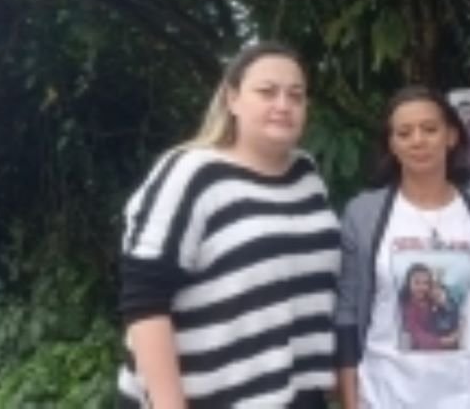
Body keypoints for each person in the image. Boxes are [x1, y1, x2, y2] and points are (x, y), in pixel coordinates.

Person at [116, 41, 341, 408]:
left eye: (296, 95)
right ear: (232, 99)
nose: (283, 104)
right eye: (267, 92)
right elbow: (144, 301)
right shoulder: (191, 173)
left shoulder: (307, 174)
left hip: (297, 395)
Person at [335, 85, 470, 409]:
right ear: (391, 144)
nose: (418, 140)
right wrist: (351, 399)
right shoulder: (364, 215)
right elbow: (348, 313)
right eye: (404, 132)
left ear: (451, 136)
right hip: (387, 395)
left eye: (429, 129)